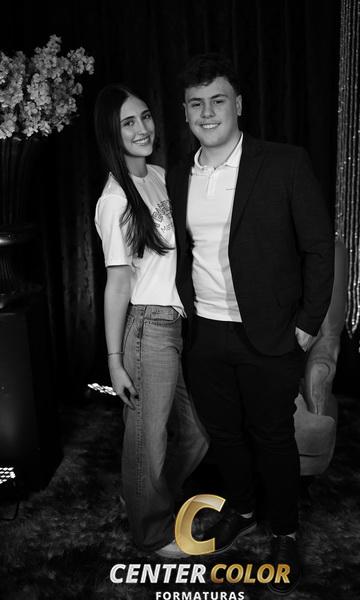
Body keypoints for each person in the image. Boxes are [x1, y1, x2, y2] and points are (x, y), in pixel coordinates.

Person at [166, 54, 334, 593]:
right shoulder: (178, 175)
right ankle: (240, 508)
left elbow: (319, 248)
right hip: (205, 331)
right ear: (185, 112)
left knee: (272, 436)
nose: (207, 112)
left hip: (270, 333)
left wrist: (307, 324)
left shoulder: (284, 163)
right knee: (223, 433)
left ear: (237, 105)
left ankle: (283, 528)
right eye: (196, 104)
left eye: (217, 100)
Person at [94, 84, 208, 558]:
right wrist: (114, 361)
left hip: (173, 325)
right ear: (112, 133)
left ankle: (143, 494)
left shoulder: (158, 176)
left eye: (145, 116)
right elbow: (118, 283)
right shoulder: (115, 199)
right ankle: (152, 532)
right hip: (146, 328)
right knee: (148, 439)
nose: (142, 128)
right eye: (128, 122)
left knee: (196, 433)